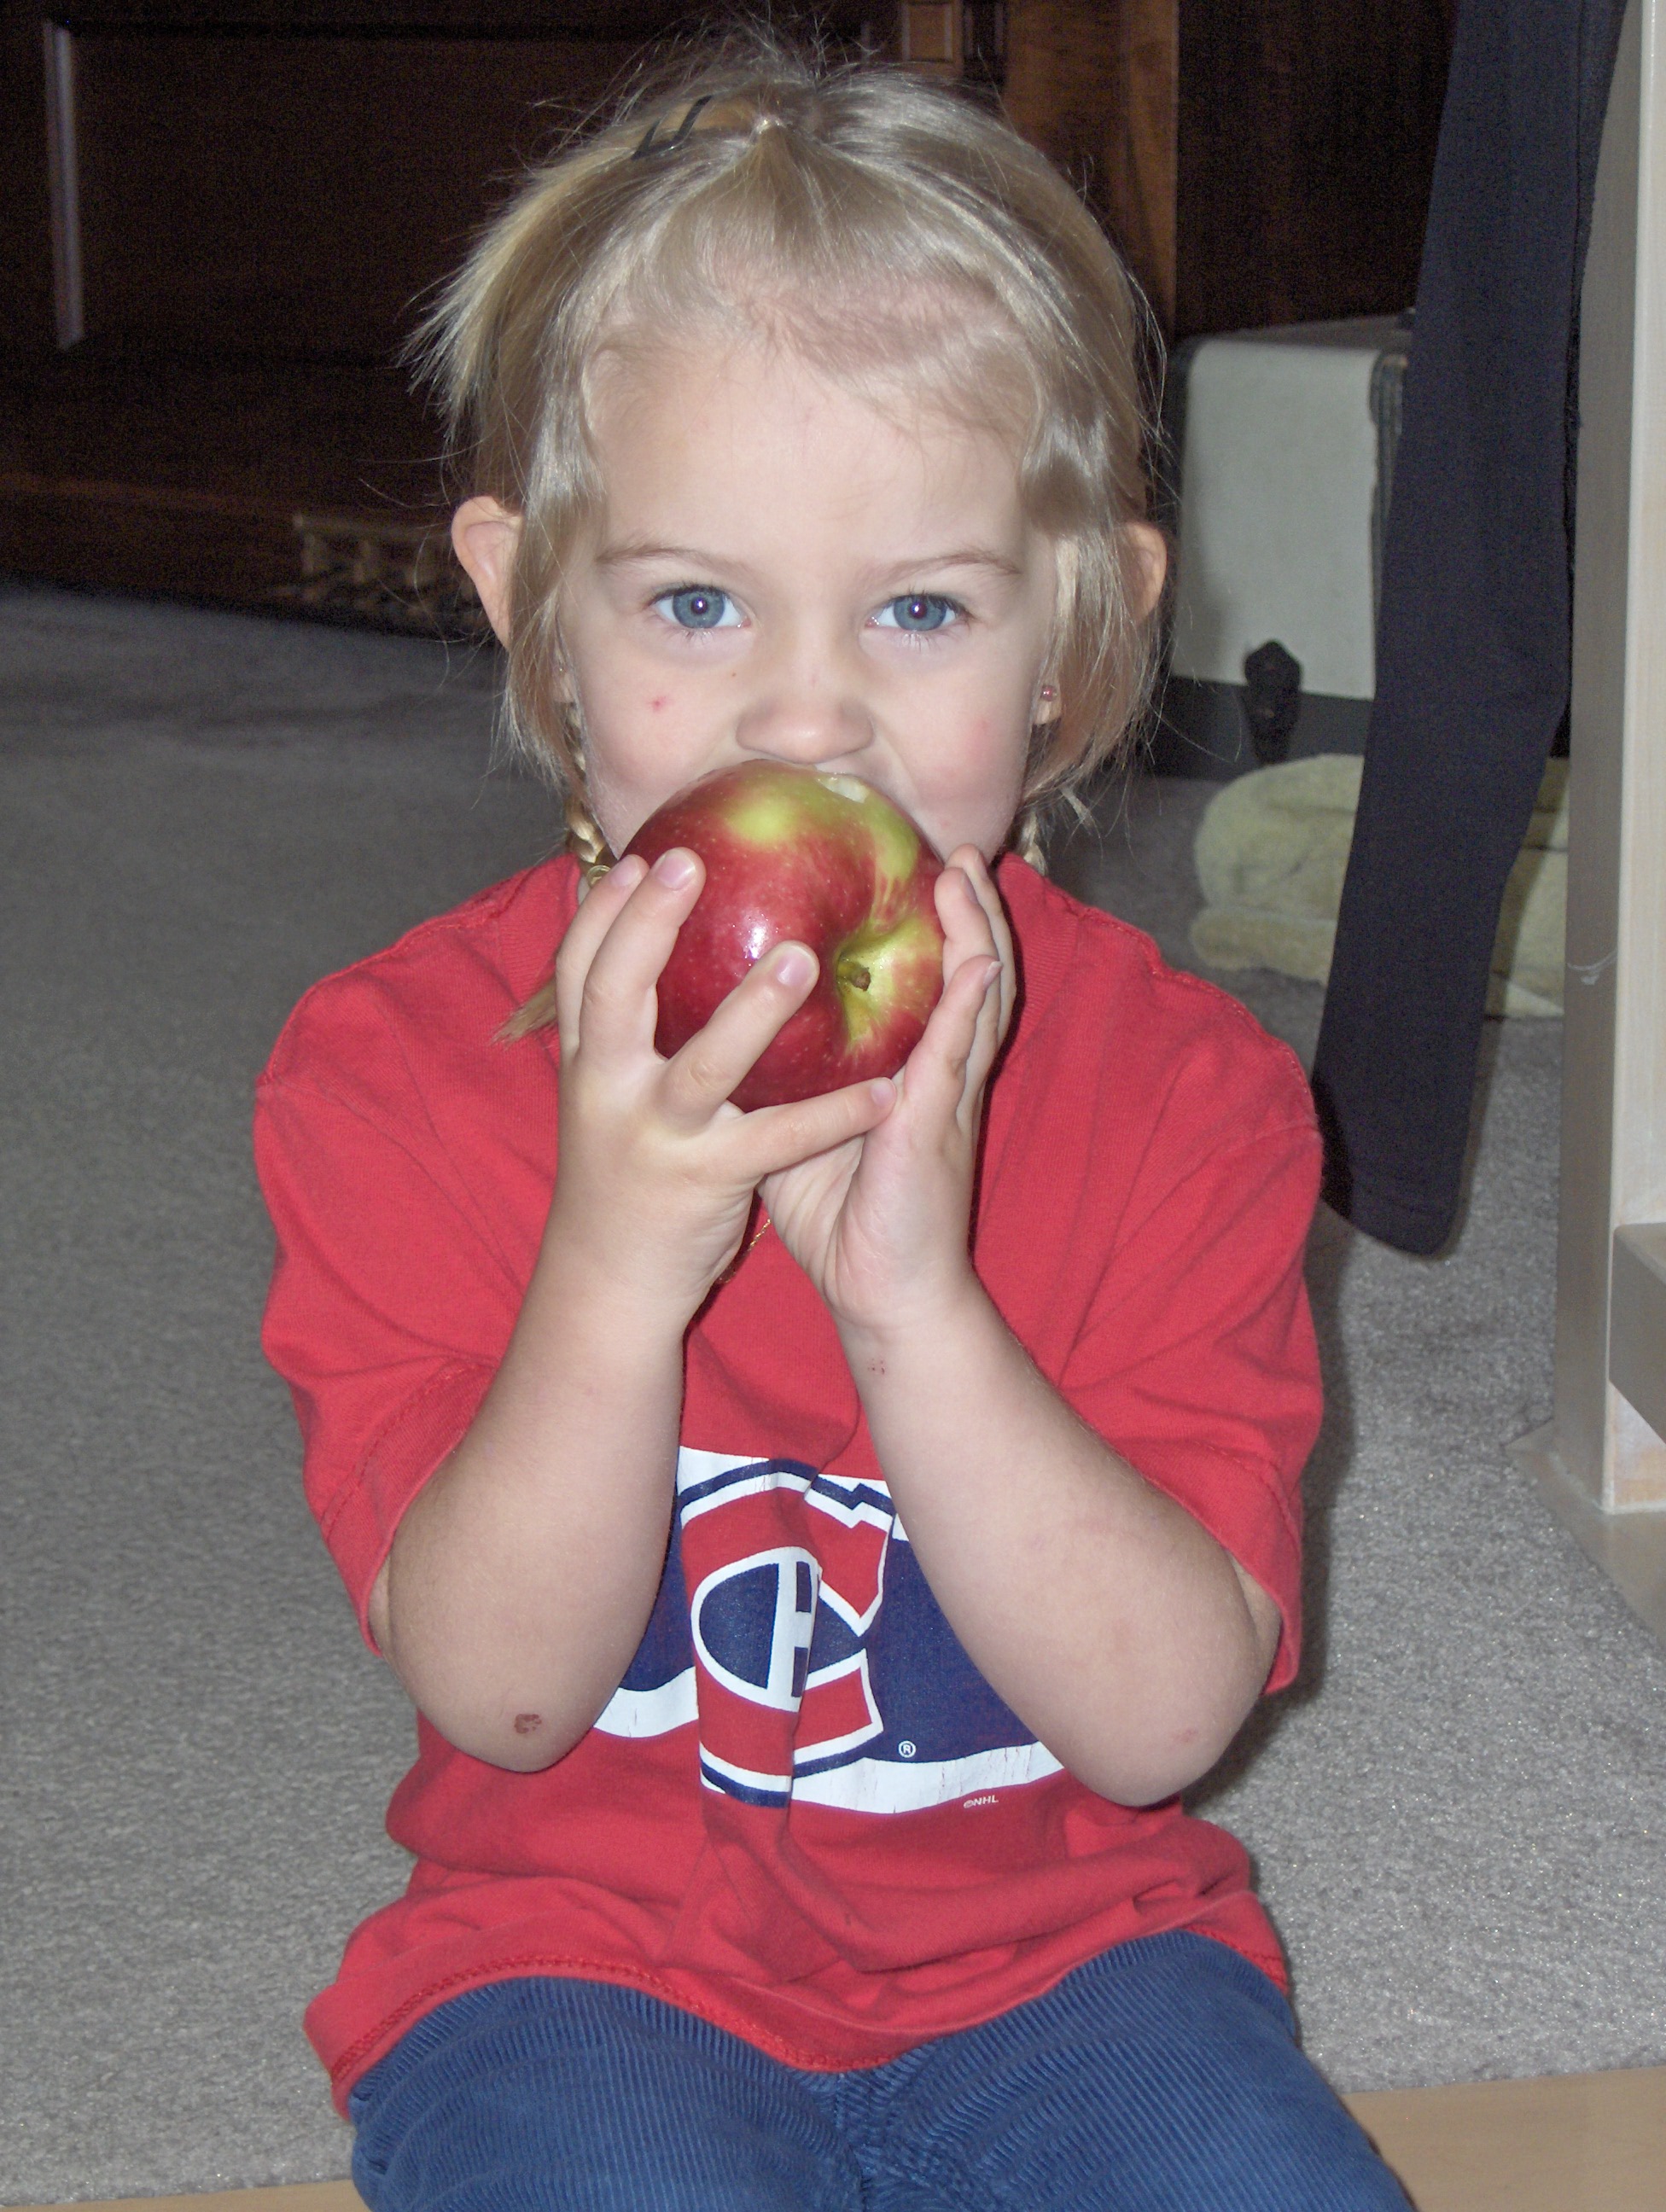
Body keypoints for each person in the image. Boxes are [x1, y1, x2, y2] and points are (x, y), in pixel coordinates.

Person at [254, 43, 1411, 2212]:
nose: (809, 714)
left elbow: (1163, 1724)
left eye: (921, 608)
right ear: (531, 606)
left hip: (1078, 1966)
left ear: (1074, 636)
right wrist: (613, 1268)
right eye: (696, 603)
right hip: (574, 1966)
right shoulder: (391, 1073)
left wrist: (914, 1312)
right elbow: (504, 1702)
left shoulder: (1195, 1100)